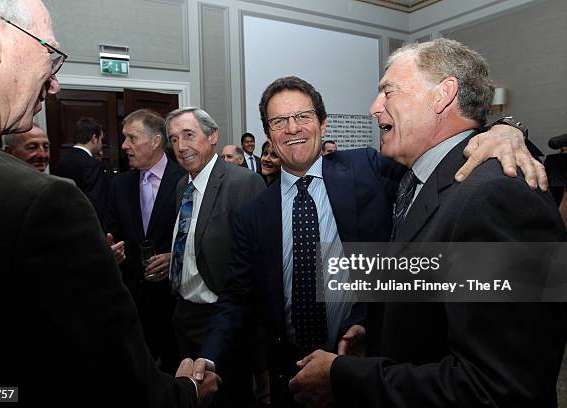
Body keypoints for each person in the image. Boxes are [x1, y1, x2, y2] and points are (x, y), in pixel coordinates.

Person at [195, 73, 545, 406]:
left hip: (365, 362)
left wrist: (505, 130)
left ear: (322, 123)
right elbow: (235, 298)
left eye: (302, 116)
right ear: (268, 134)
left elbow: (442, 170)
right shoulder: (253, 213)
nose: (292, 129)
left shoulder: (367, 167)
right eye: (279, 122)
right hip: (292, 372)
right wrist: (207, 360)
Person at [0, 0, 217, 405]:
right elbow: (124, 389)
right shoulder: (43, 200)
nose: (55, 83)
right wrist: (190, 391)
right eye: (51, 55)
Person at [289, 39, 566, 408]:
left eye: (387, 91)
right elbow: (439, 293)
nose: (374, 108)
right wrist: (379, 335)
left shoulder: (498, 197)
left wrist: (346, 376)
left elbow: (500, 388)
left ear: (443, 94)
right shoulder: (416, 182)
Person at [166, 107, 266, 407]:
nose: (181, 146)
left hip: (223, 317)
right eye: (173, 139)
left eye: (188, 135)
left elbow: (256, 264)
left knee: (229, 396)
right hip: (183, 314)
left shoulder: (242, 183)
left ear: (212, 136)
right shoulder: (181, 186)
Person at [103, 108, 186, 373]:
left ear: (155, 141)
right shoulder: (119, 185)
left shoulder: (184, 179)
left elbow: (201, 235)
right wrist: (112, 249)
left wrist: (175, 257)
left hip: (175, 302)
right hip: (134, 302)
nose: (125, 145)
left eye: (132, 138)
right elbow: (113, 230)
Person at [53, 117, 111, 222]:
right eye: (101, 140)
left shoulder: (61, 162)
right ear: (94, 138)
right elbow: (96, 202)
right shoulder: (92, 164)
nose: (101, 144)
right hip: (87, 223)